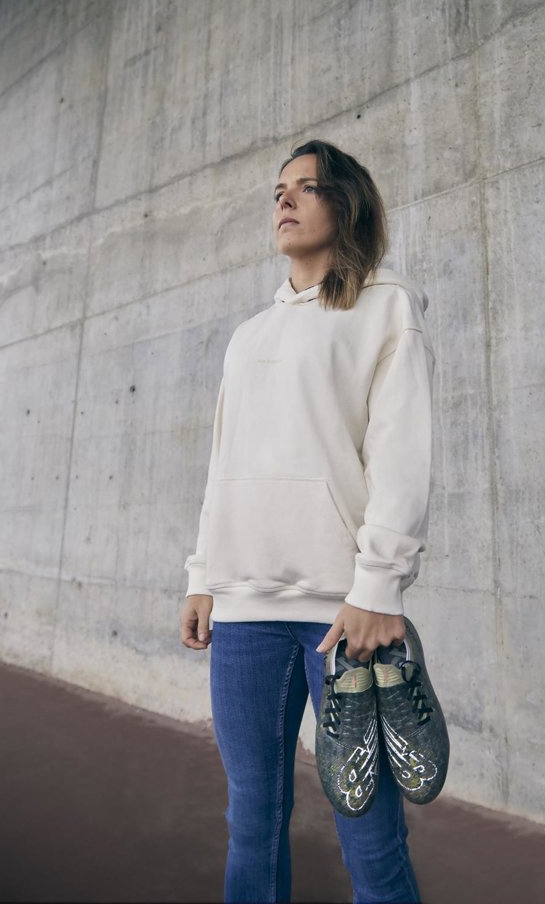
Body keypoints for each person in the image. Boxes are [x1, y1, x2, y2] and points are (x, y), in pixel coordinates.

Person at [179, 139, 436, 904]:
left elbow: (402, 453)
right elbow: (223, 463)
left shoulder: (385, 305)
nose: (285, 200)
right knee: (250, 820)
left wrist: (379, 588)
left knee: (370, 833)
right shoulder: (248, 334)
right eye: (278, 189)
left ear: (345, 204)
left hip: (342, 615)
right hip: (245, 613)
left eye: (307, 187)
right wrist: (203, 578)